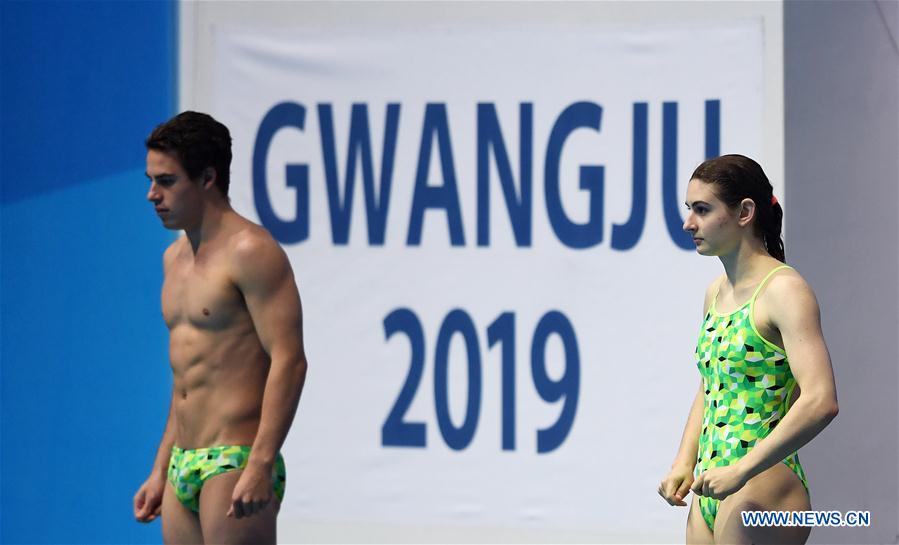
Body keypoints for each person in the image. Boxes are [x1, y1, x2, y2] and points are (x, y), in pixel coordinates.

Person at [132, 111, 308, 544]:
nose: (152, 194)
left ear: (208, 177)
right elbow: (189, 375)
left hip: (235, 460)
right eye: (151, 180)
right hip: (181, 464)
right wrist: (160, 469)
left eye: (167, 181)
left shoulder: (252, 251)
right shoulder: (173, 261)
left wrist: (261, 463)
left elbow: (290, 359)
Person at [658, 154, 839, 544]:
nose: (689, 223)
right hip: (714, 483)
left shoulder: (784, 291)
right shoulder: (714, 293)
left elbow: (821, 399)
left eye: (702, 210)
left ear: (744, 212)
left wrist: (743, 470)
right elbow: (711, 385)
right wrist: (683, 460)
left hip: (763, 486)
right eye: (690, 209)